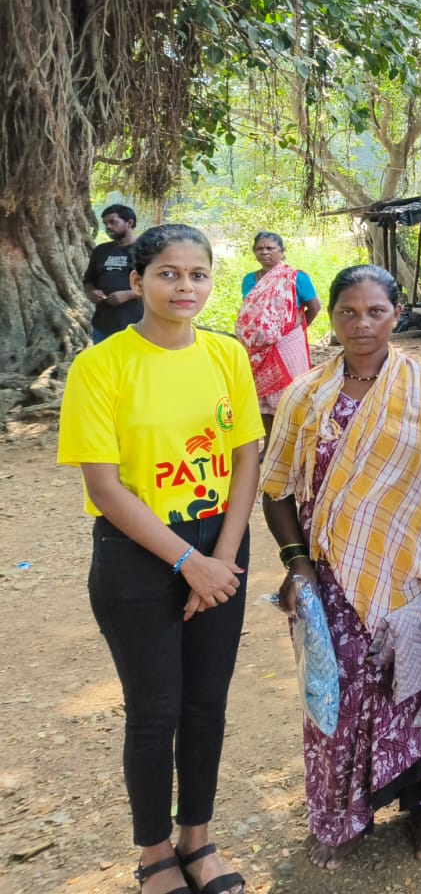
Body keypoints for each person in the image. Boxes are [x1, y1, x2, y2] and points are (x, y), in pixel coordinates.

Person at [59, 223, 262, 894]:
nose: (184, 287)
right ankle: (154, 854)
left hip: (220, 546)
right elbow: (104, 487)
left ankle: (196, 842)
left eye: (197, 274)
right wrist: (189, 564)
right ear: (137, 280)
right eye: (168, 273)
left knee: (206, 704)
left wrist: (222, 559)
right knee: (155, 710)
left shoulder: (227, 355)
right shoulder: (101, 366)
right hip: (138, 555)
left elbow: (246, 458)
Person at [260, 265, 421, 870]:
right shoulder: (305, 395)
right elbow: (276, 488)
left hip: (410, 572)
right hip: (327, 577)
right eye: (348, 311)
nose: (362, 323)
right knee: (335, 700)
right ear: (331, 317)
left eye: (376, 311)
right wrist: (296, 563)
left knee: (411, 690)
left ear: (397, 315)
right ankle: (341, 816)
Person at [235, 231, 321, 439]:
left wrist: (294, 329)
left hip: (287, 343)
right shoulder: (249, 280)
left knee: (290, 392)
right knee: (261, 396)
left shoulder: (296, 277)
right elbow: (250, 310)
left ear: (281, 252)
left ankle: (291, 441)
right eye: (259, 248)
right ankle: (269, 441)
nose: (264, 252)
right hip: (256, 347)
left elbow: (314, 306)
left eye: (270, 248)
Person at [83, 202, 143, 343]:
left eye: (113, 222)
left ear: (129, 223)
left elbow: (158, 284)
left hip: (137, 325)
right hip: (103, 325)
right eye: (105, 223)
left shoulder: (146, 250)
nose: (108, 227)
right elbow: (89, 280)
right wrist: (91, 292)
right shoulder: (101, 250)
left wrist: (128, 294)